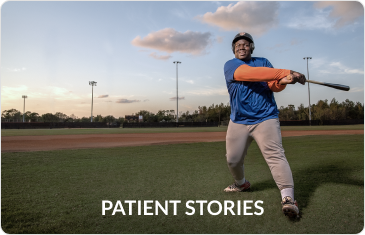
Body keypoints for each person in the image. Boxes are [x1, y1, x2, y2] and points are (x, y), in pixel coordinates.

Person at [223, 32, 306, 218]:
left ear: (251, 47)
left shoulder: (263, 61)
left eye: (245, 44)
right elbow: (251, 74)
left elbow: (272, 84)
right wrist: (287, 72)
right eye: (237, 45)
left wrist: (287, 80)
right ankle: (241, 183)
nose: (241, 47)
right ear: (233, 49)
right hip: (239, 120)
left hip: (265, 117)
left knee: (275, 156)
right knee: (233, 160)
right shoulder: (231, 65)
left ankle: (288, 198)